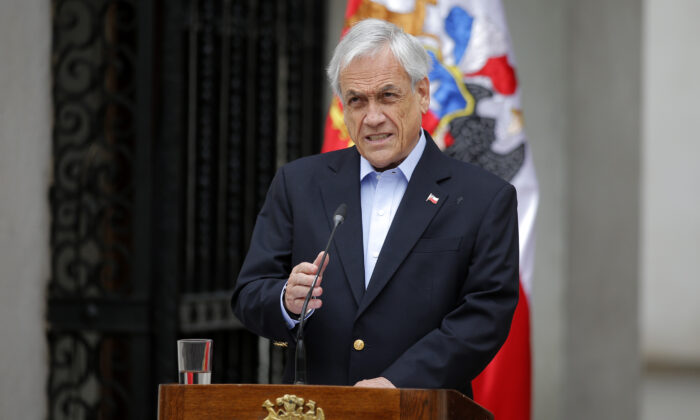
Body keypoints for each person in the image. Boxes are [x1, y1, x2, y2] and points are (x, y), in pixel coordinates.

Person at [231, 18, 519, 396]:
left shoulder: (484, 197)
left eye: (387, 96)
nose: (372, 117)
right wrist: (285, 299)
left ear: (422, 94)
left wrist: (398, 384)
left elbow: (484, 318)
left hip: (423, 409)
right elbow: (249, 293)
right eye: (357, 100)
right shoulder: (298, 184)